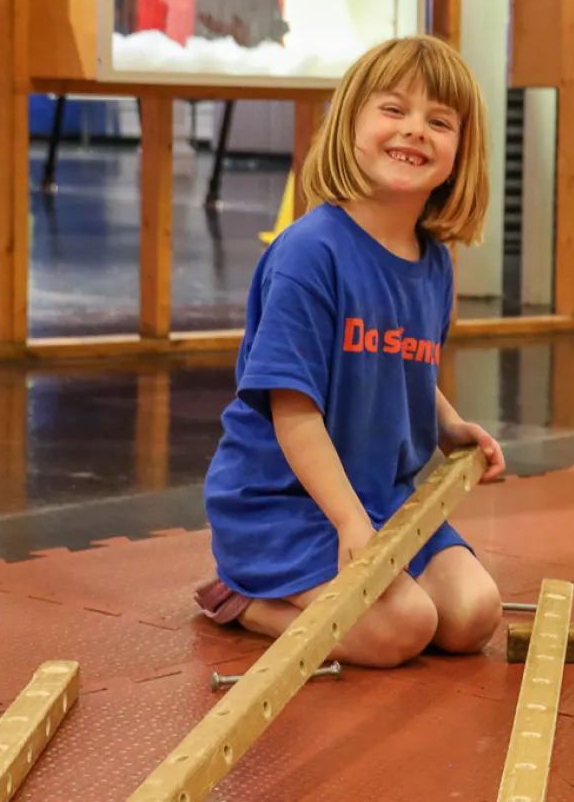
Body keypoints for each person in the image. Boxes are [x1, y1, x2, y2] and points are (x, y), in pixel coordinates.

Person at [194, 35, 508, 668]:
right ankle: (242, 598)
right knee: (402, 630)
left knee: (473, 616)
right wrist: (347, 524)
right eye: (394, 111)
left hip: (381, 501)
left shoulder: (435, 263)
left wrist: (449, 425)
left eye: (439, 121)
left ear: (460, 153)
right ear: (351, 124)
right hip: (284, 509)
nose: (415, 131)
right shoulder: (311, 253)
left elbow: (401, 361)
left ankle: (346, 578)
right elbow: (293, 407)